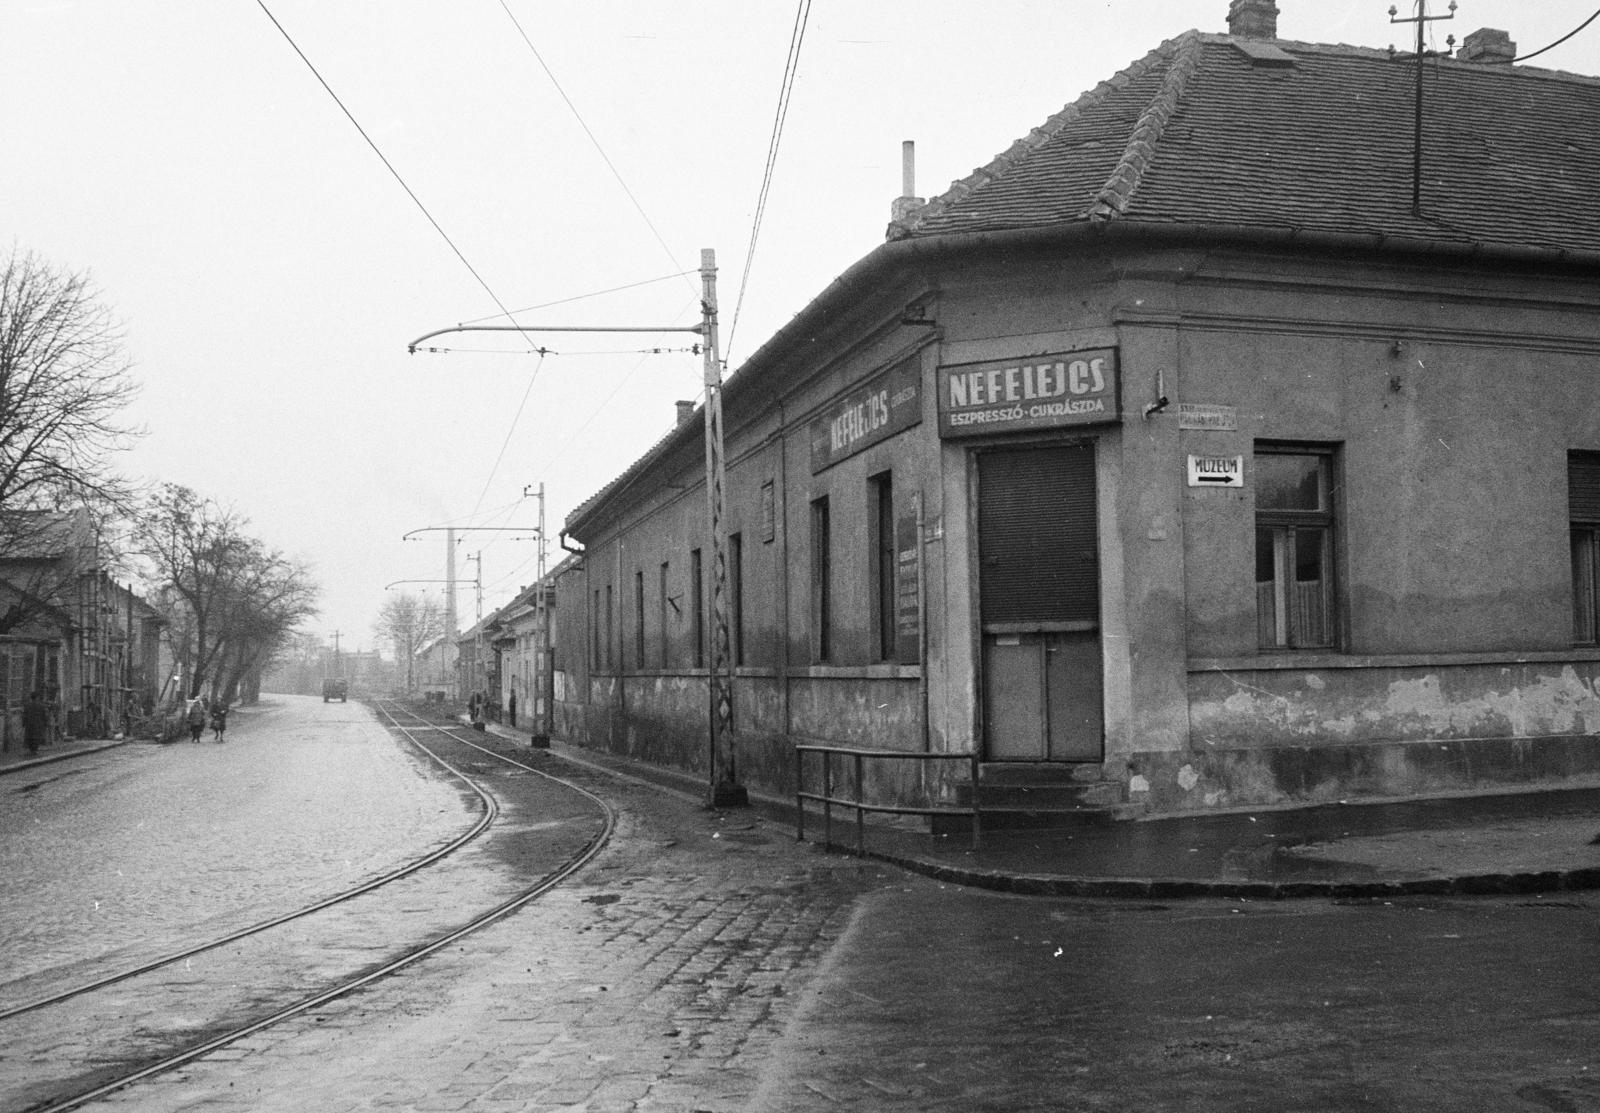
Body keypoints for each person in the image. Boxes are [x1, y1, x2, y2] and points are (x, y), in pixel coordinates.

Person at [22, 691, 49, 756]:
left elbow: (24, 715)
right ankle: (34, 750)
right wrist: (45, 723)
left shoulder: (27, 705)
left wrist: (24, 723)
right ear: (37, 697)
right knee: (37, 737)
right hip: (38, 724)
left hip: (29, 724)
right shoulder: (41, 706)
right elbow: (44, 715)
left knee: (29, 736)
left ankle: (31, 749)